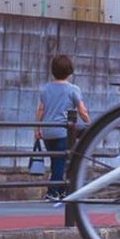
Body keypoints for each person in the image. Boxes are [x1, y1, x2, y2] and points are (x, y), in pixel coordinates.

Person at [35, 54, 91, 202]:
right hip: (63, 131)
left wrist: (37, 129)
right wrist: (90, 124)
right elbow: (82, 110)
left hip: (47, 131)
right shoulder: (73, 89)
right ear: (70, 71)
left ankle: (61, 191)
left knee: (56, 161)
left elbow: (41, 110)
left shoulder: (45, 89)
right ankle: (52, 193)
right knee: (61, 162)